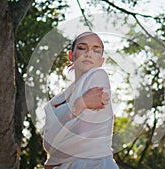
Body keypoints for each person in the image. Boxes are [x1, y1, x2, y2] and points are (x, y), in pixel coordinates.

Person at [43, 32, 119, 169]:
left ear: (101, 61)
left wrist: (54, 157)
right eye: (82, 48)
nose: (89, 53)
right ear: (71, 56)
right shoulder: (58, 100)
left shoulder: (99, 76)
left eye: (96, 50)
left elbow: (82, 134)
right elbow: (48, 144)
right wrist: (80, 105)